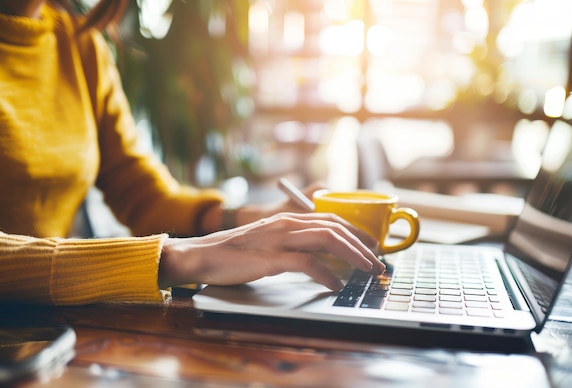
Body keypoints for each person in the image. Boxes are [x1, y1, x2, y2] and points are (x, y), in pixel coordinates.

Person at [0, 0, 385, 305]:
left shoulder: (77, 42)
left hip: (48, 326)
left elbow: (138, 193)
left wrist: (250, 218)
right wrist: (176, 257)